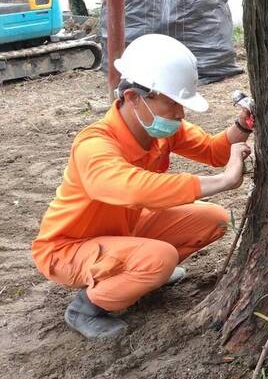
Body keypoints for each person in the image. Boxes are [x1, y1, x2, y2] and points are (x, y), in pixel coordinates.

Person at [32, 34, 254, 340]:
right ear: (135, 97)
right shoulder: (94, 144)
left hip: (124, 231)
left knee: (214, 219)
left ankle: (139, 274)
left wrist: (242, 126)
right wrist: (224, 181)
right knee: (159, 258)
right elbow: (134, 189)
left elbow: (214, 150)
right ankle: (86, 307)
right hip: (68, 249)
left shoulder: (160, 128)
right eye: (172, 102)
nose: (180, 113)